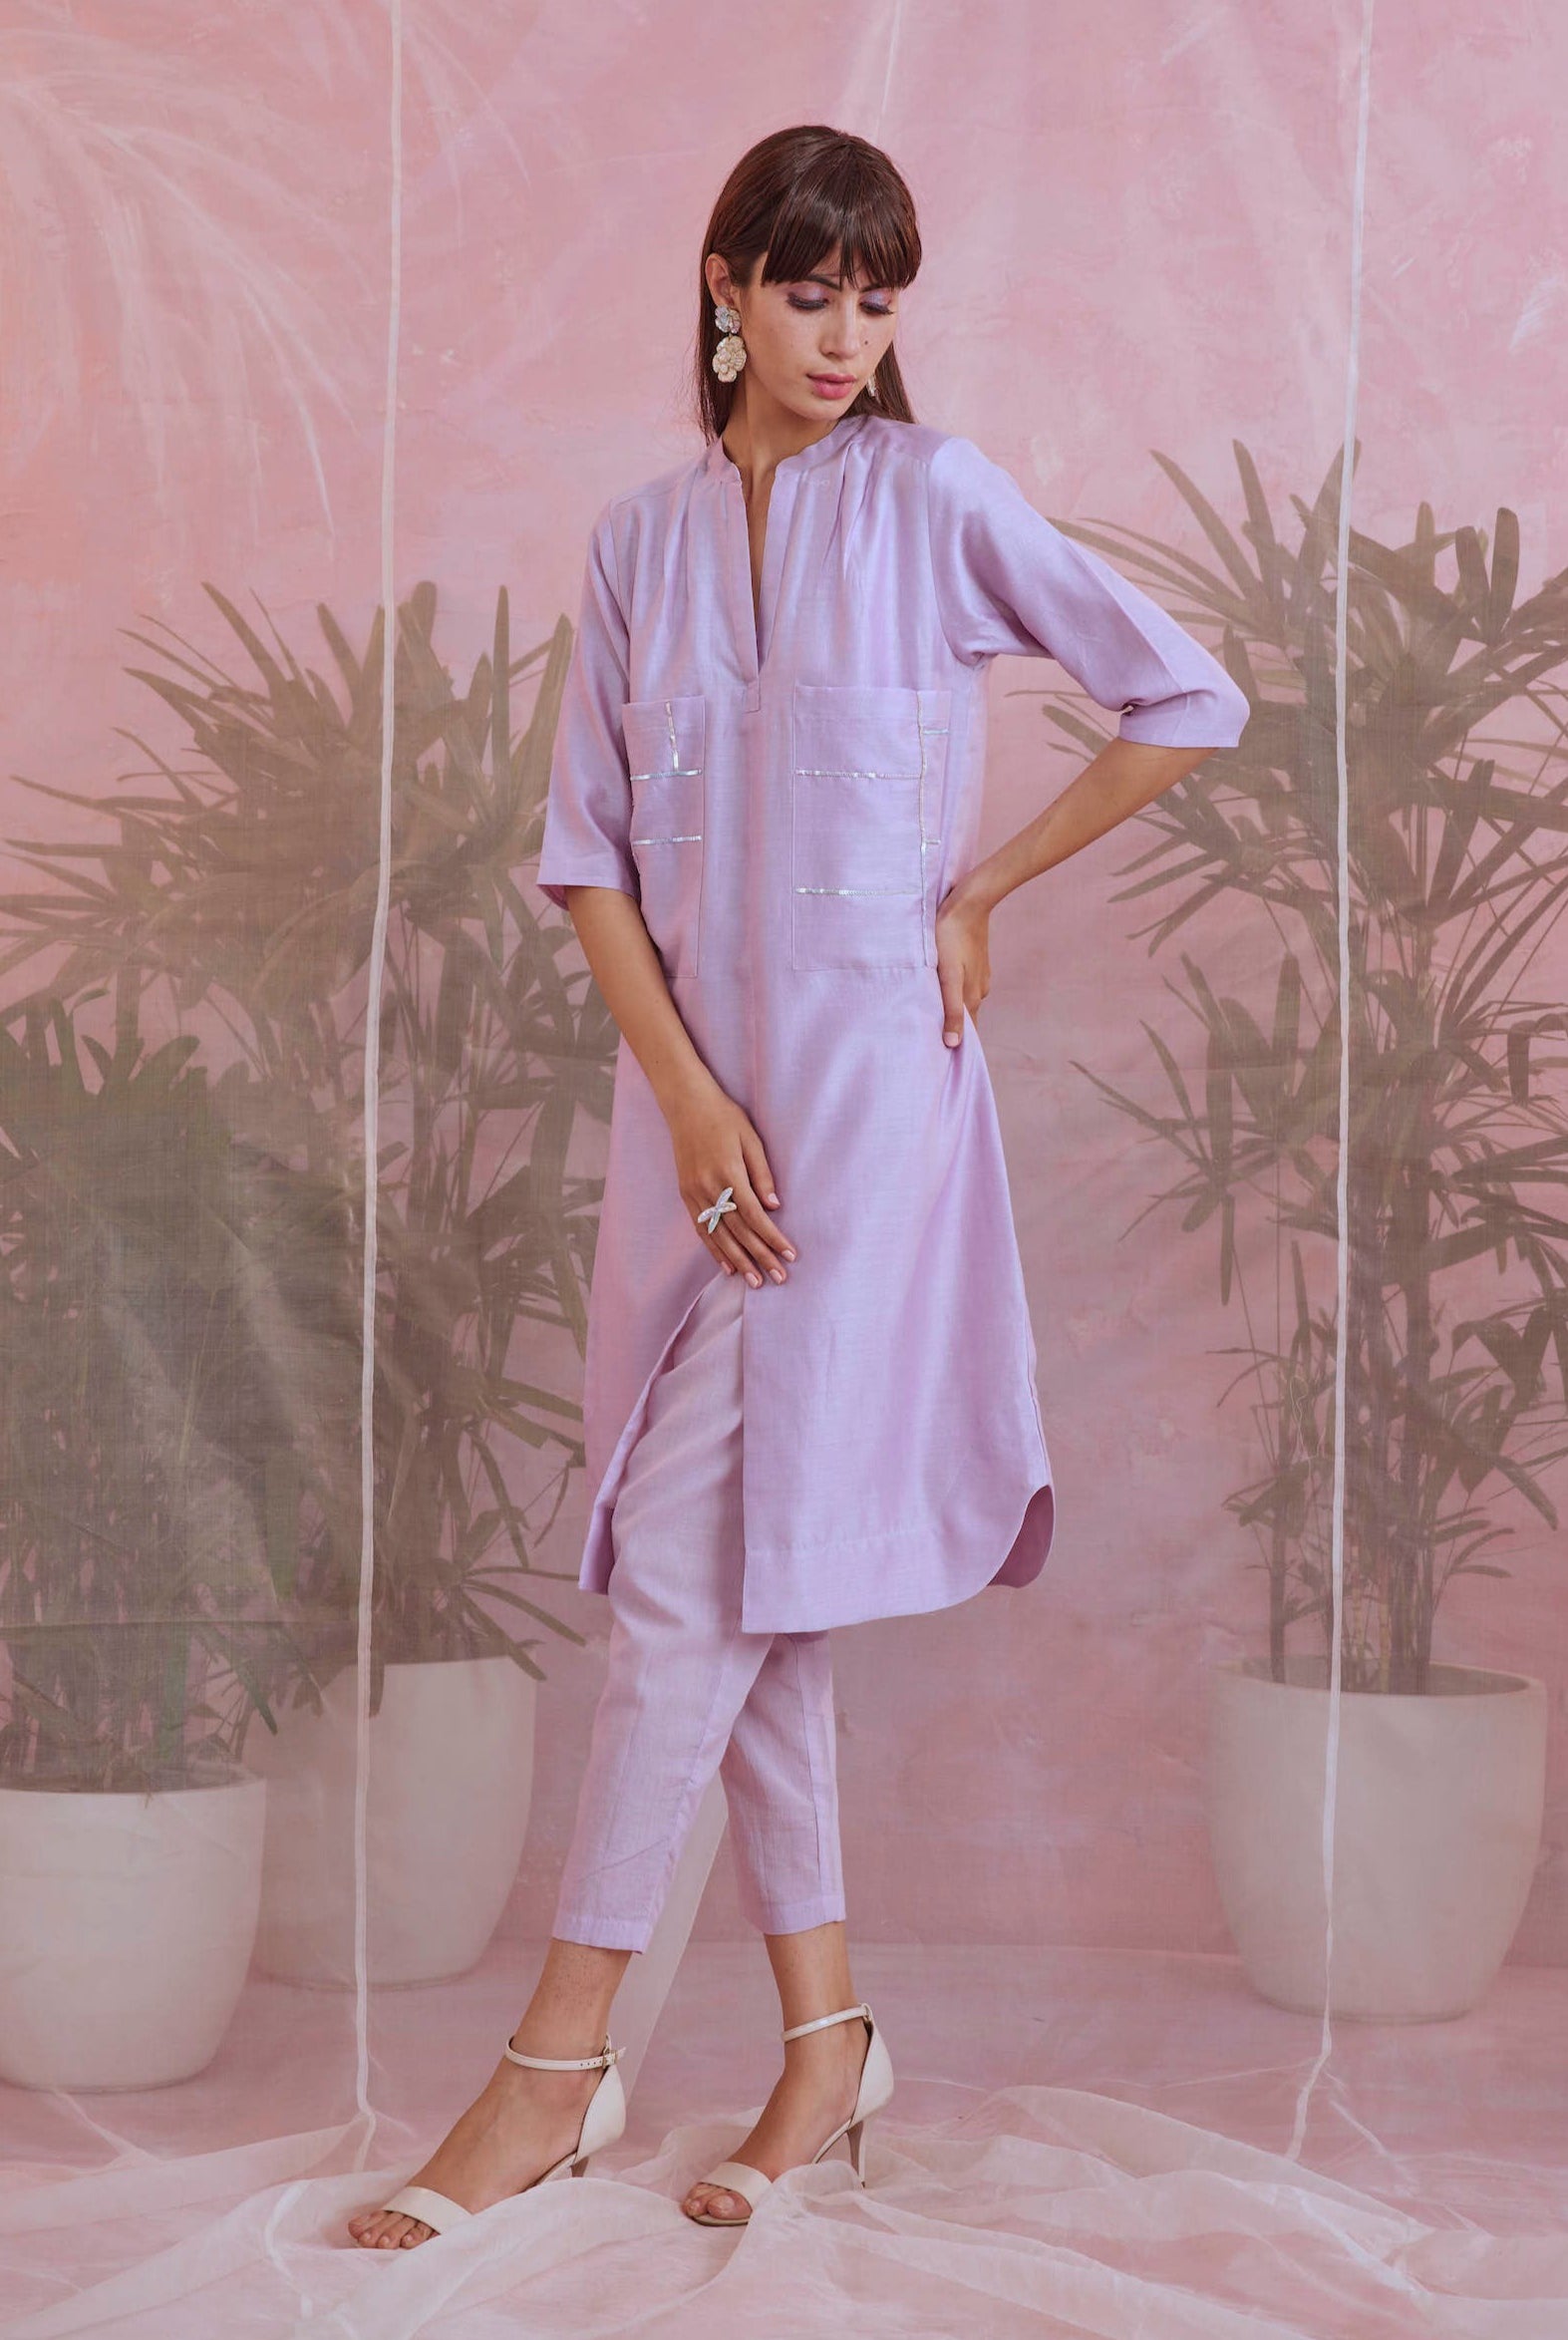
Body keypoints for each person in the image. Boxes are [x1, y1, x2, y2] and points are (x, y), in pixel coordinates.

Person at [349, 122, 1248, 2251]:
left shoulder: (935, 499)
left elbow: (1181, 692)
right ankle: (827, 2049)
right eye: (807, 288)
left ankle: (555, 2066)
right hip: (696, 1131)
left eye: (874, 297)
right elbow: (588, 854)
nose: (843, 334)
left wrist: (979, 892)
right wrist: (678, 1101)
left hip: (868, 1116)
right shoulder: (640, 543)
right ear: (726, 288)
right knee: (755, 1583)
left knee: (686, 1576)